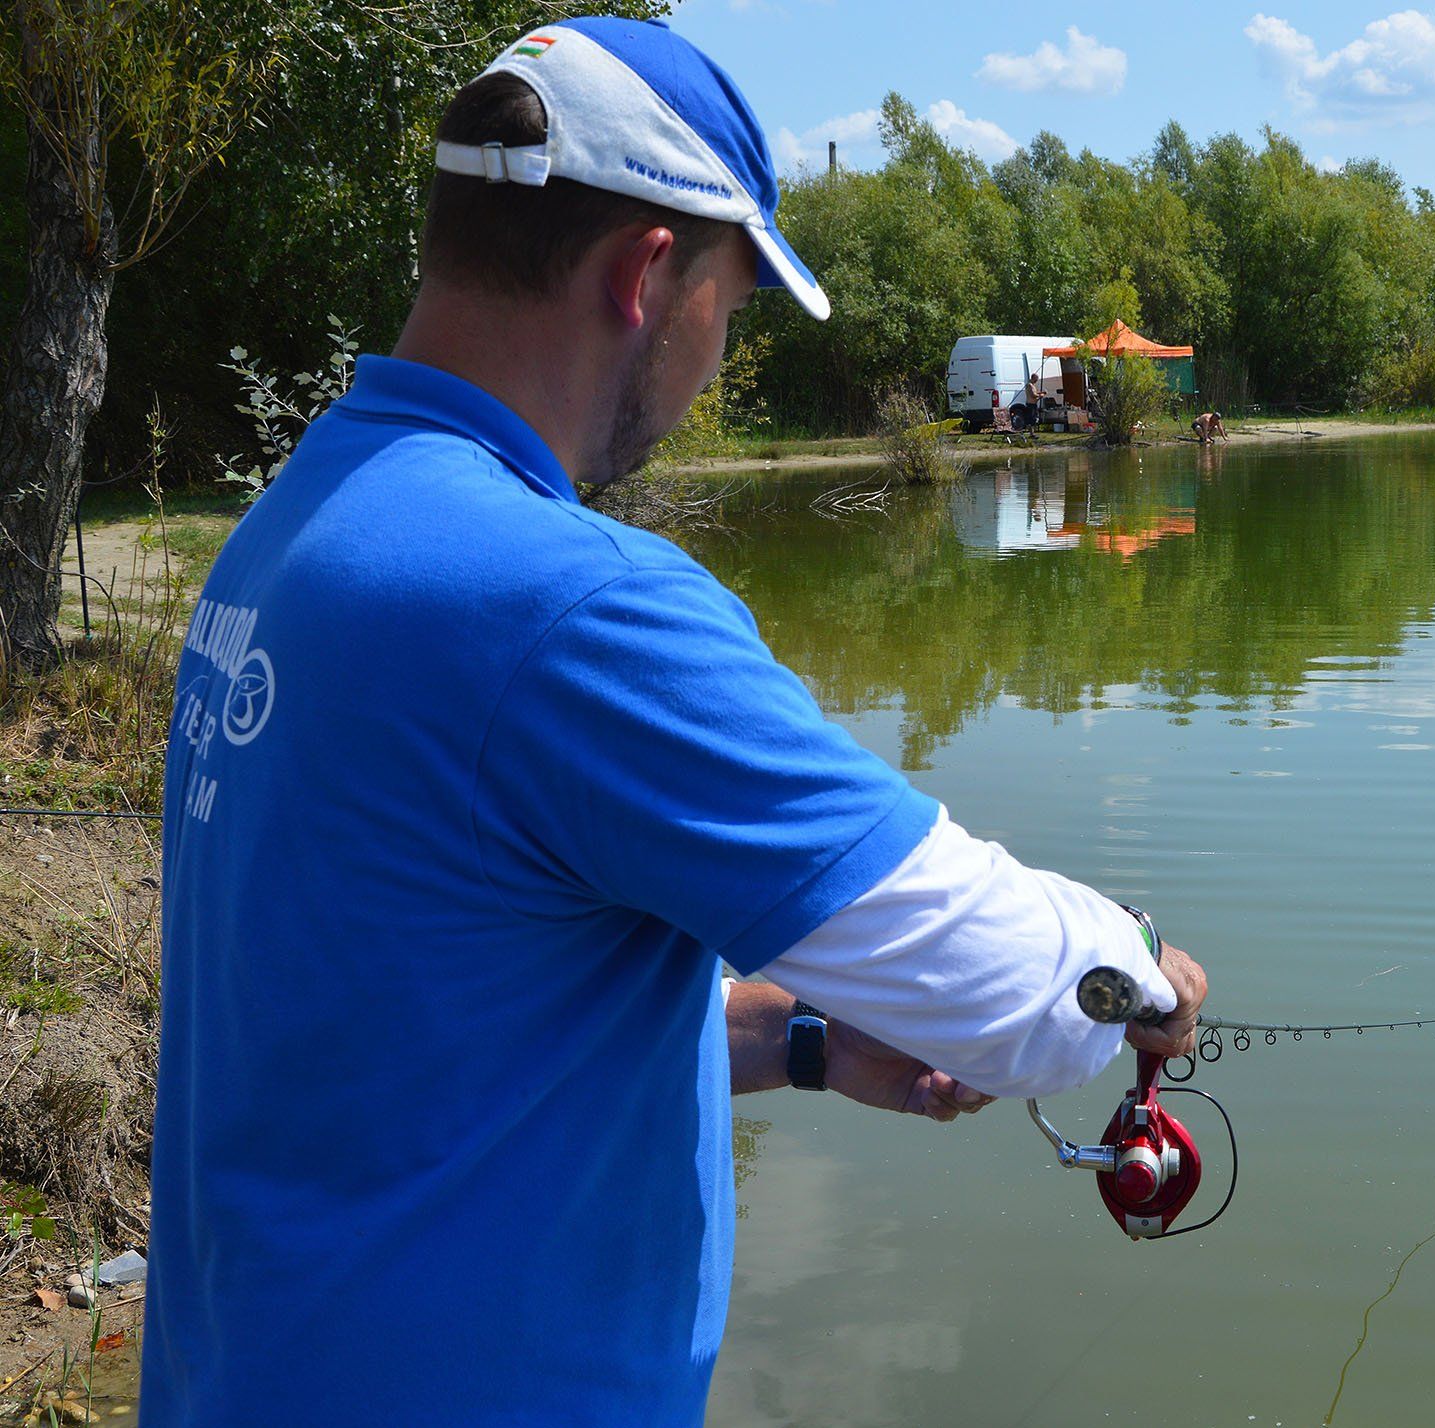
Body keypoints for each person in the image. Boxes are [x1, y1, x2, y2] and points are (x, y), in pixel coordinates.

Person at [144, 16, 1207, 1428]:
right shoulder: (560, 606)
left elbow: (417, 1025)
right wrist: (1140, 973)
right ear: (650, 276)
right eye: (736, 300)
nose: (721, 351)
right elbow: (1014, 995)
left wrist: (802, 1042)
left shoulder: (294, 533)